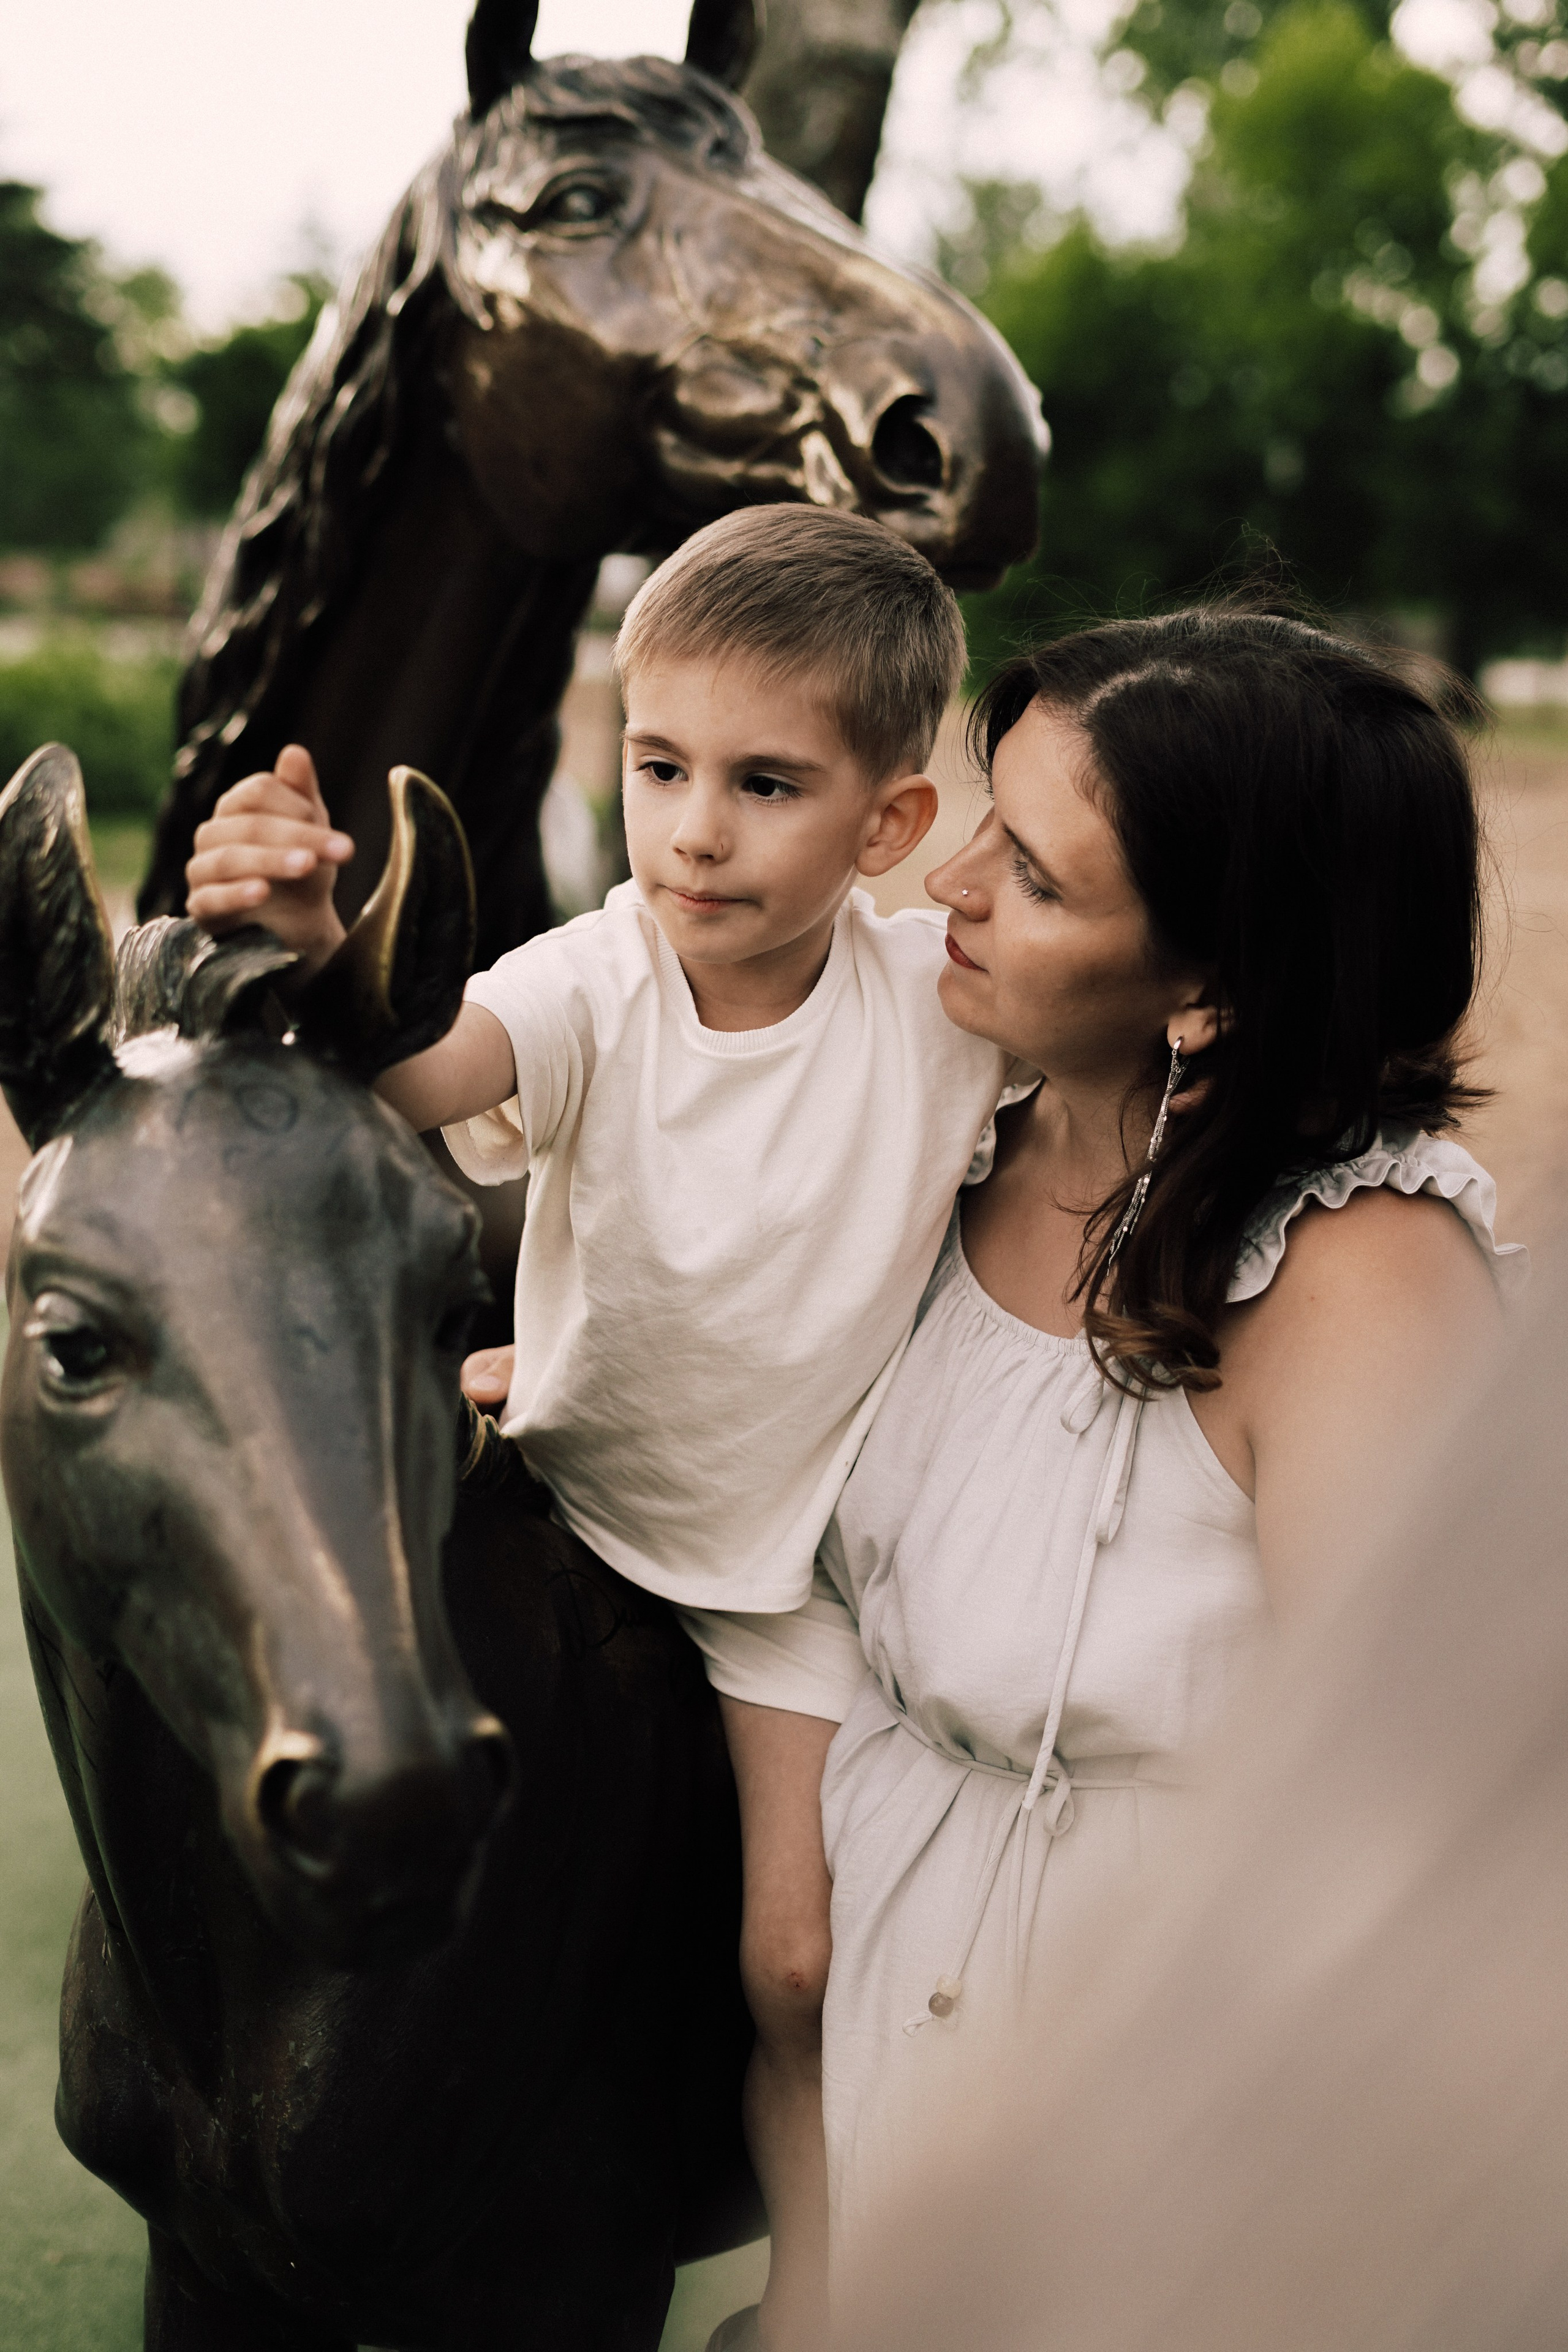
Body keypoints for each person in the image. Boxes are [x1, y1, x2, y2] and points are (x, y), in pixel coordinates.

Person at [182, 504, 1033, 2352]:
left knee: (795, 1964)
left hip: (785, 1566)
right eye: (658, 767)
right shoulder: (599, 976)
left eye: (765, 783)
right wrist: (325, 941)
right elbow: (416, 1078)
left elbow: (1109, 1060)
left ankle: (819, 2294)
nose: (695, 829)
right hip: (558, 1487)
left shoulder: (936, 1013)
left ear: (889, 827)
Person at [809, 605, 1528, 2260]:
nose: (949, 887)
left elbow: (1418, 1831)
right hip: (886, 2028)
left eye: (1039, 878)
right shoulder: (933, 1130)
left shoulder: (1361, 1282)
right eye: (989, 810)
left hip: (1161, 2114)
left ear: (1210, 982)